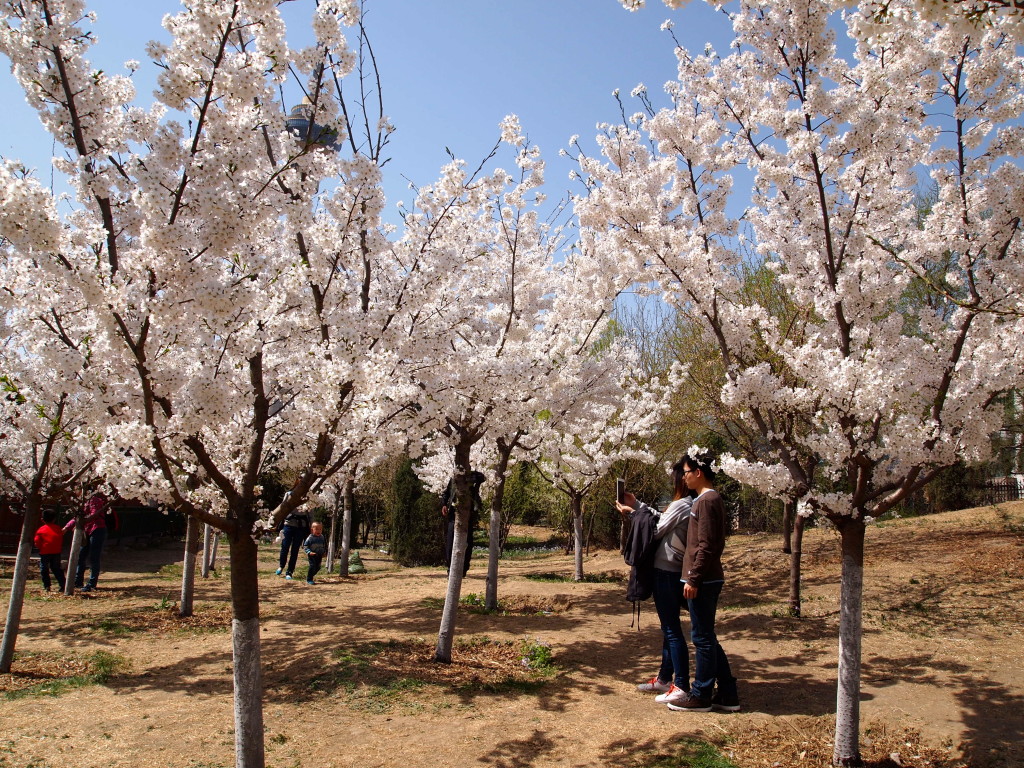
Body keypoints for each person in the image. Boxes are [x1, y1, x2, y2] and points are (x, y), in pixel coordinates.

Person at [667, 452, 740, 713]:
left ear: (698, 472)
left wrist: (694, 577)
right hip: (703, 577)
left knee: (702, 638)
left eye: (686, 472)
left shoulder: (706, 501)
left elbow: (707, 545)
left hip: (704, 580)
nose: (683, 477)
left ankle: (701, 694)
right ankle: (728, 694)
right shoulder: (705, 500)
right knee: (707, 636)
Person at [616, 460, 694, 704]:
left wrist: (633, 513)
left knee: (671, 630)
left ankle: (680, 683)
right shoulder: (684, 505)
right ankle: (663, 678)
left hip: (668, 572)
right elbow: (662, 518)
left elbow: (657, 528)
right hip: (668, 570)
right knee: (668, 628)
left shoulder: (683, 504)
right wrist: (637, 504)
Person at [65, 490, 112, 593]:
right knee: (81, 556)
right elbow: (77, 517)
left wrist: (82, 521)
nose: (75, 492)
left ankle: (92, 584)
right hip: (87, 531)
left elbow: (94, 514)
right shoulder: (83, 502)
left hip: (97, 529)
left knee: (94, 557)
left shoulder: (95, 500)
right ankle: (78, 581)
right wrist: (67, 527)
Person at [441, 471, 485, 576]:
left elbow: (482, 478)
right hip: (454, 515)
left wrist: (470, 475)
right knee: (451, 542)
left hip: (468, 515)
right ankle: (450, 568)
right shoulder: (454, 479)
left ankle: (464, 568)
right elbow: (446, 493)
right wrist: (444, 504)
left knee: (467, 542)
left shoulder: (474, 477)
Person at [34, 509, 66, 592]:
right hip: (56, 552)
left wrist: (40, 547)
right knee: (56, 568)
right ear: (54, 519)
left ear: (42, 519)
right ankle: (63, 584)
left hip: (45, 552)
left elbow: (37, 541)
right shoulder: (58, 528)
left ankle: (47, 586)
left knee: (44, 569)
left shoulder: (41, 530)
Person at [276, 505, 311, 580]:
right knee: (285, 547)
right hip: (288, 524)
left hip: (301, 526)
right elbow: (283, 507)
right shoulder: (288, 494)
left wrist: (312, 525)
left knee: (295, 549)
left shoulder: (308, 497)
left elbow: (310, 513)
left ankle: (290, 571)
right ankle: (281, 566)